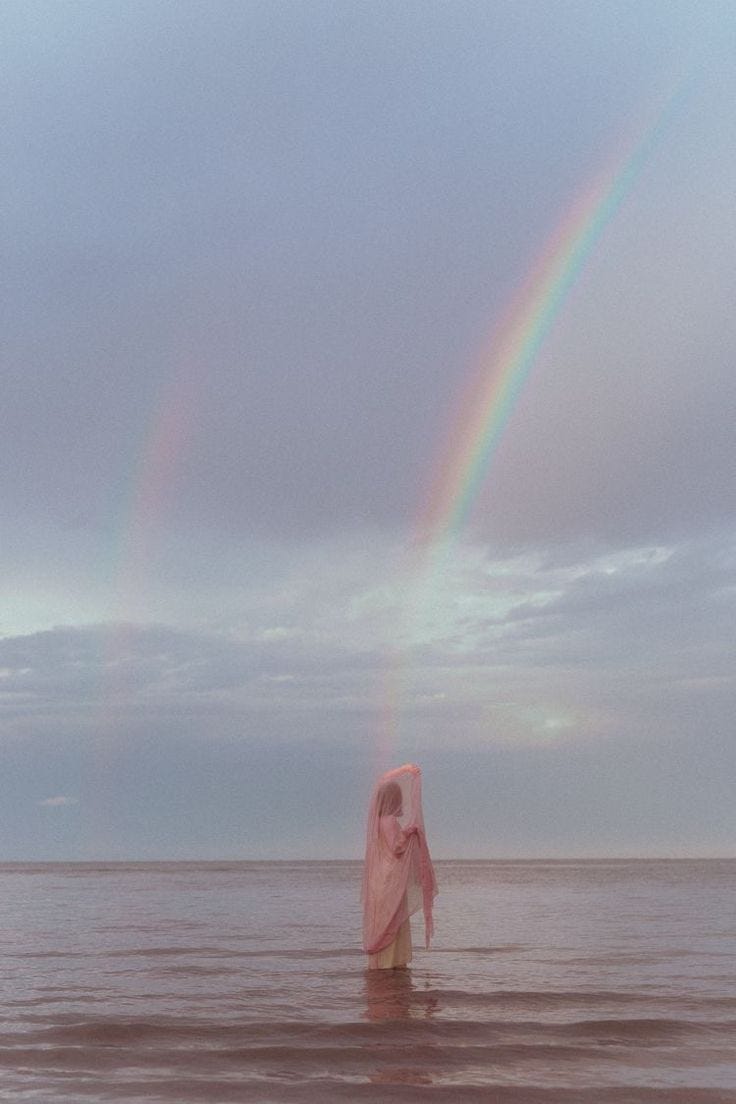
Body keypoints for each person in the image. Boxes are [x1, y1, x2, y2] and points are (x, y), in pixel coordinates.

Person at [361, 763, 438, 969]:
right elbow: (397, 847)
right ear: (394, 799)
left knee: (383, 920)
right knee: (394, 920)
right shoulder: (390, 821)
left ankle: (381, 965)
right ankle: (392, 964)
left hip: (379, 879)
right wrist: (410, 832)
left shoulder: (377, 821)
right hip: (391, 880)